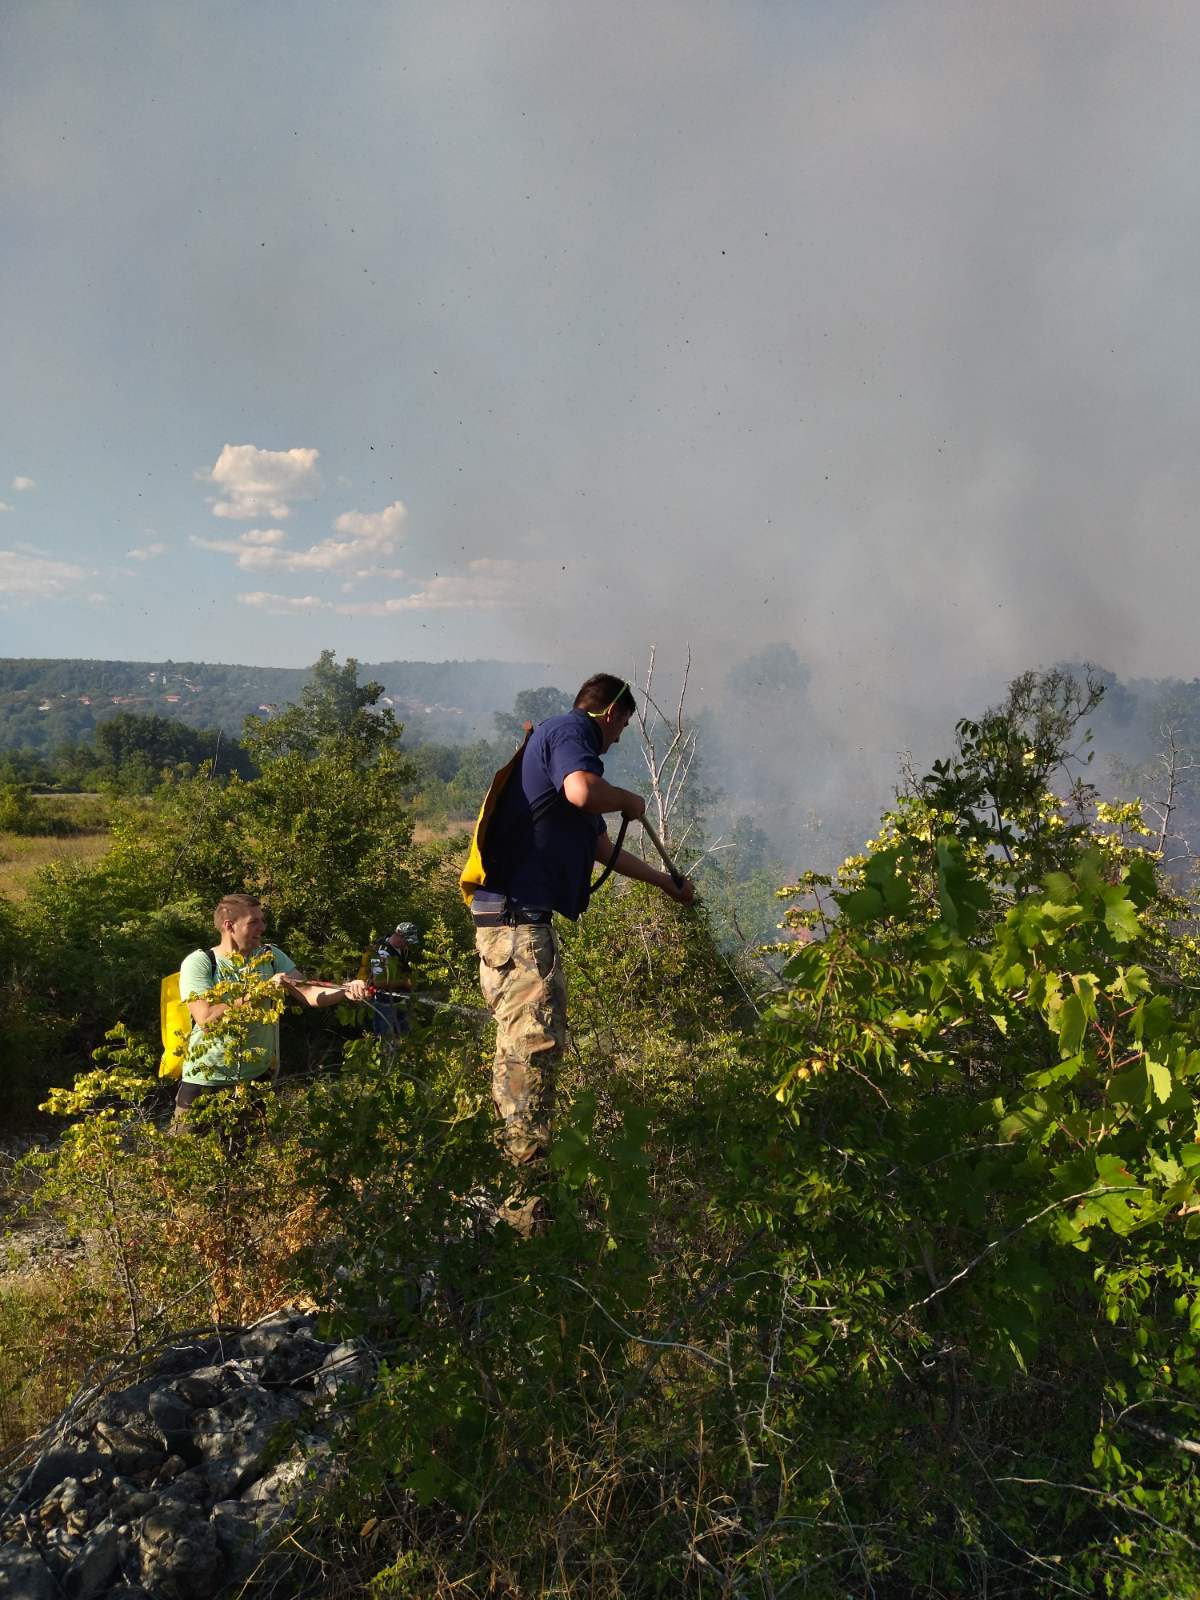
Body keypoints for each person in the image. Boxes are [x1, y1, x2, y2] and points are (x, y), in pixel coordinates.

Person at [470, 673, 695, 1183]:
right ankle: (526, 1193)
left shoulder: (557, 747)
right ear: (610, 713)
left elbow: (599, 848)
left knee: (518, 1051)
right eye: (622, 729)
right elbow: (582, 791)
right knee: (533, 1052)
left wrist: (664, 882)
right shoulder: (571, 731)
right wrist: (627, 800)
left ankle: (511, 1171)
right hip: (519, 926)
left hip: (510, 925)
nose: (616, 741)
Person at [176, 893, 370, 1122]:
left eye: (262, 920)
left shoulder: (270, 955)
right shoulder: (200, 962)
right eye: (253, 922)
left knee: (244, 1155)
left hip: (257, 1077)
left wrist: (345, 990)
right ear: (230, 926)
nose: (263, 927)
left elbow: (308, 993)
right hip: (205, 1078)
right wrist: (261, 992)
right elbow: (206, 1018)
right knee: (183, 1149)